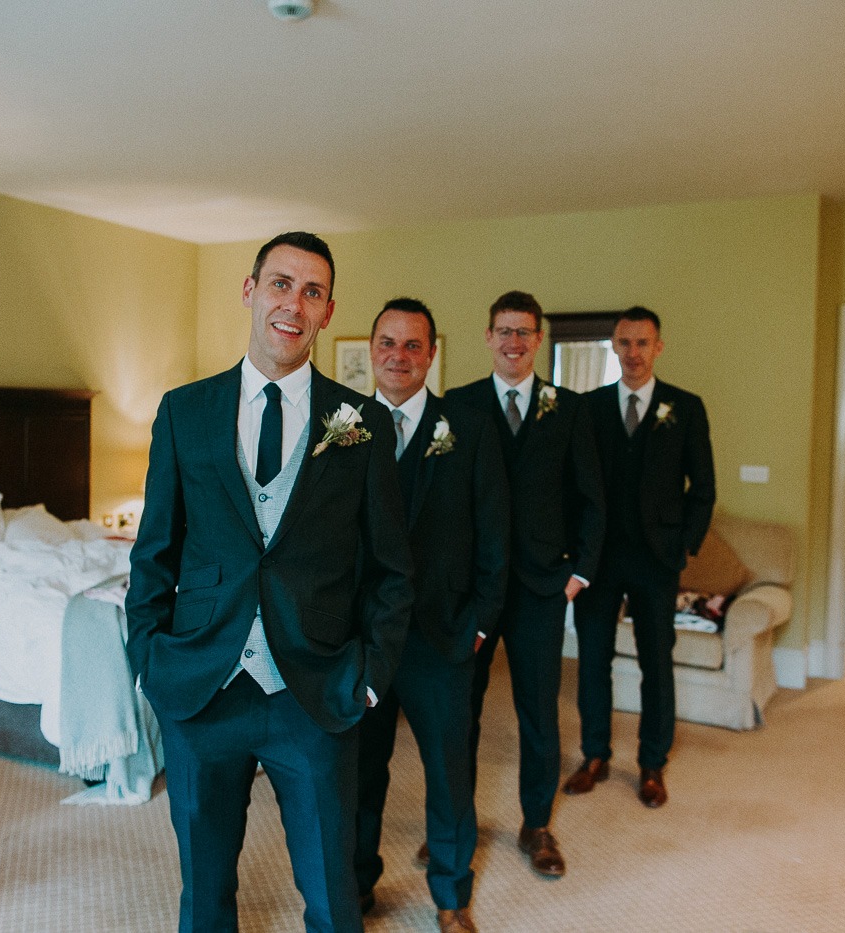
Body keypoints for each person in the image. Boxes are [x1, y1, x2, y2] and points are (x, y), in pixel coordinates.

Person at [125, 232, 414, 933]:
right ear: (251, 291)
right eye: (281, 283)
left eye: (312, 292)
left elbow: (391, 571)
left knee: (332, 896)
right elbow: (153, 553)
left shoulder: (364, 423)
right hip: (201, 692)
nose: (295, 302)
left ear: (327, 310)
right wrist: (151, 663)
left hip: (314, 695)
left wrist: (370, 675)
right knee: (205, 898)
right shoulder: (183, 411)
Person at [353, 299, 509, 933]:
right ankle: (357, 885)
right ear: (372, 349)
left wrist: (481, 621)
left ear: (432, 353)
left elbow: (496, 534)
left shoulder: (467, 428)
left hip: (444, 636)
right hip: (363, 640)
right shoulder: (343, 424)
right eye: (388, 343)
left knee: (449, 773)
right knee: (361, 772)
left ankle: (450, 896)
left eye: (413, 345)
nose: (399, 355)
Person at [446, 291, 603, 878]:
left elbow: (592, 499)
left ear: (538, 340)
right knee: (459, 712)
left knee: (539, 712)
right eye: (504, 331)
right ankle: (452, 822)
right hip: (472, 590)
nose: (513, 342)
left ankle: (537, 824)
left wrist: (579, 571)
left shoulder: (568, 410)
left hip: (541, 589)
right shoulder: (456, 405)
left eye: (525, 333)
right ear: (488, 337)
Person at [565, 306, 715, 808]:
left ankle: (652, 763)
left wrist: (684, 547)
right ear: (613, 347)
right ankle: (594, 755)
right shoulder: (587, 407)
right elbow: (571, 486)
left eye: (642, 343)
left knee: (656, 662)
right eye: (624, 343)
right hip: (597, 560)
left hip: (657, 561)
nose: (633, 353)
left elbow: (704, 489)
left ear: (658, 347)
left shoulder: (686, 408)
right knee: (593, 662)